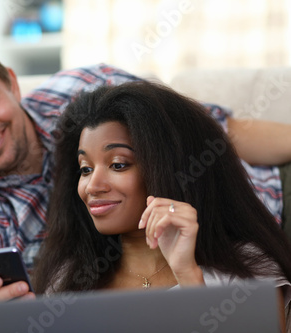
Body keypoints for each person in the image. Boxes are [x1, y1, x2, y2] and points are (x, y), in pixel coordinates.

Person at [0, 35, 291, 333]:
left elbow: (218, 130)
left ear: (12, 82)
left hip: (265, 206)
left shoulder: (84, 92)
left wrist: (189, 274)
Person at [32, 81, 291, 330]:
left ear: (171, 168)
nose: (92, 186)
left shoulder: (246, 268)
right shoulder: (68, 279)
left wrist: (188, 275)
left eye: (118, 164)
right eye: (85, 169)